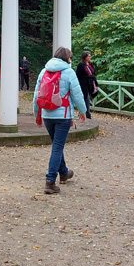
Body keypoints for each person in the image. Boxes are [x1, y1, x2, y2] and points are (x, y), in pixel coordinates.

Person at [33, 47, 87, 194]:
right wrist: (83, 111)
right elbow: (77, 94)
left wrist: (36, 112)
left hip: (47, 115)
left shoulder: (44, 71)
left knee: (57, 145)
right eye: (70, 57)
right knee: (57, 147)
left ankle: (63, 172)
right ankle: (50, 181)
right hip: (63, 116)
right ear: (66, 58)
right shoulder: (69, 72)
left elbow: (36, 94)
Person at [75, 51, 98, 119]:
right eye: (89, 56)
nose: (90, 57)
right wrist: (89, 77)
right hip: (83, 84)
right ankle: (86, 113)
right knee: (86, 98)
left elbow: (93, 73)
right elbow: (78, 75)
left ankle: (83, 113)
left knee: (88, 97)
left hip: (90, 84)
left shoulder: (90, 64)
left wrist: (94, 81)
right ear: (85, 57)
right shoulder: (81, 65)